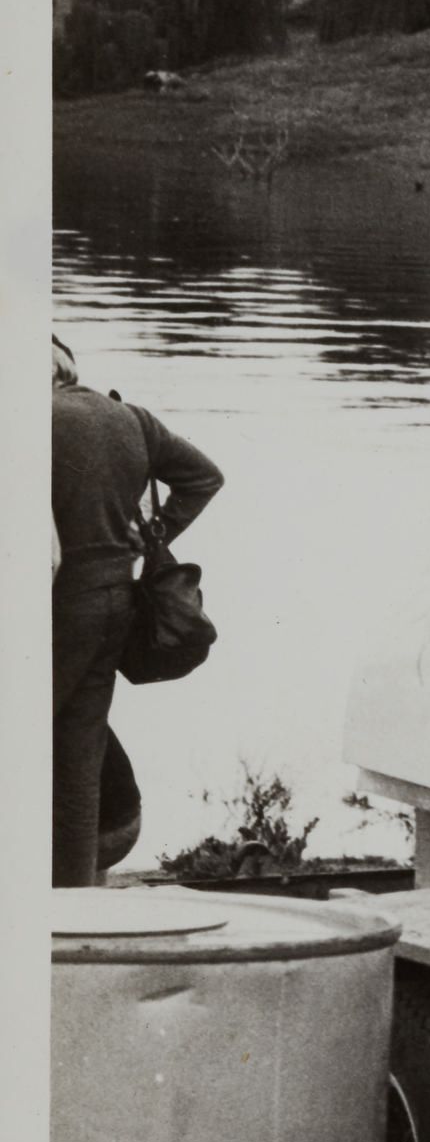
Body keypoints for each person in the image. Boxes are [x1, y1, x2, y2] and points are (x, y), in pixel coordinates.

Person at [50, 334, 222, 884]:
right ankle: (73, 912)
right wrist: (151, 535)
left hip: (55, 610)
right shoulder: (130, 419)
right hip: (116, 606)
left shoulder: (29, 423)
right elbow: (204, 477)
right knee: (79, 767)